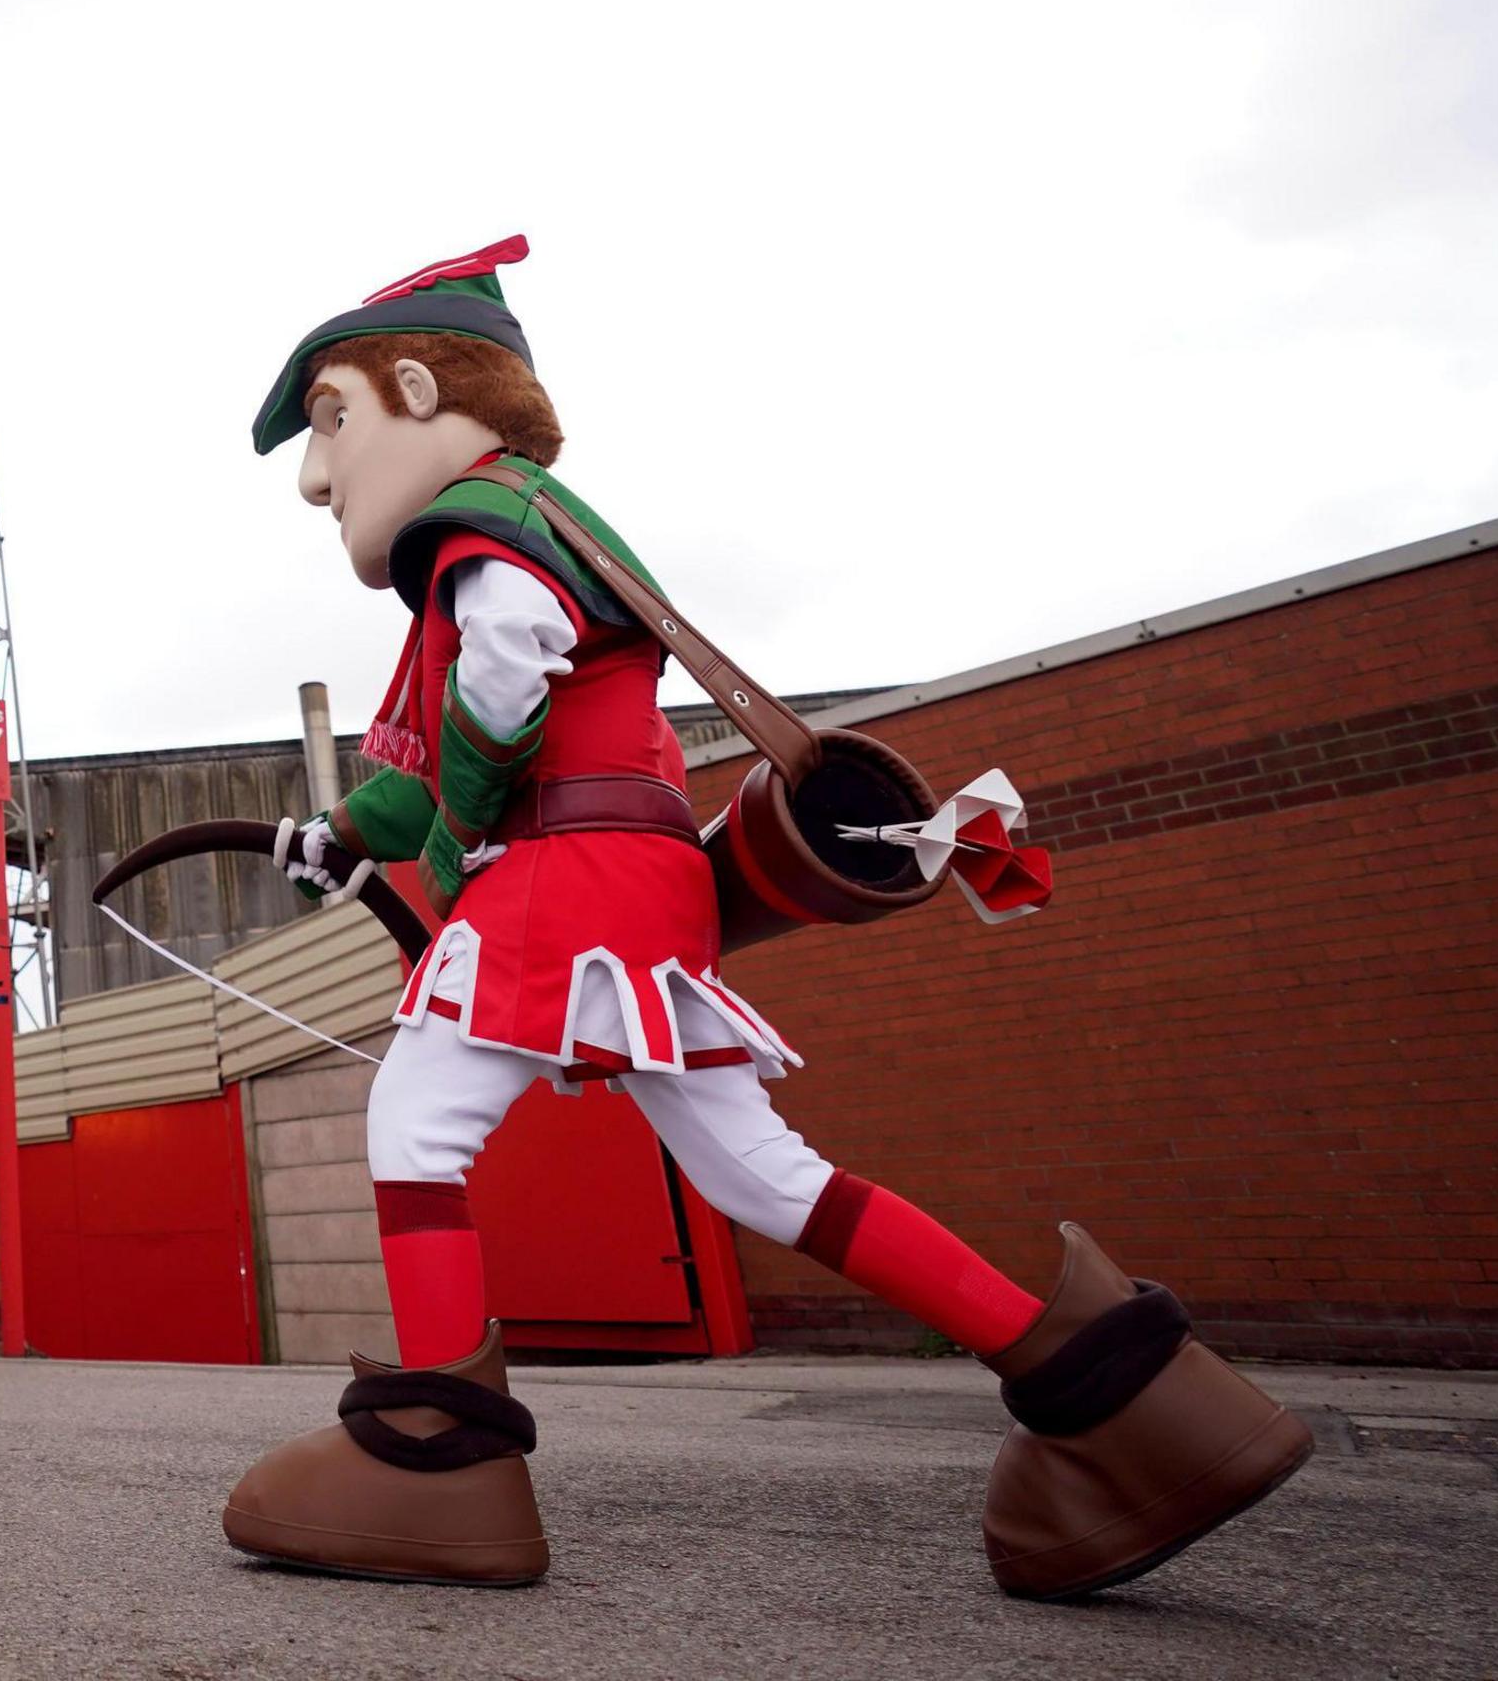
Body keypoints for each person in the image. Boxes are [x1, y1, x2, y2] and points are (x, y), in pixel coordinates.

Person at [214, 238, 1309, 1598]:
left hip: (570, 874)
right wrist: (337, 835)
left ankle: (439, 1457)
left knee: (417, 1123)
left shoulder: (485, 523)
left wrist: (450, 837)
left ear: (423, 391)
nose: (318, 479)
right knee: (757, 1172)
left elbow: (502, 680)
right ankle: (1112, 1399)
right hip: (638, 877)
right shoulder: (541, 520)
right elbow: (435, 759)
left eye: (331, 422)